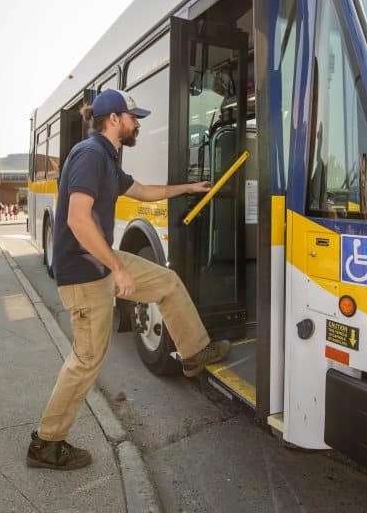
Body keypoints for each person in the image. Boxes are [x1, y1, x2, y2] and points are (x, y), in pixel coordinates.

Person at [28, 88, 231, 470]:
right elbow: (76, 219)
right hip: (85, 273)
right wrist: (118, 268)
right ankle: (46, 443)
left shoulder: (106, 157)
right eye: (133, 117)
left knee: (166, 283)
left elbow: (143, 192)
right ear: (114, 120)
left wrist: (186, 188)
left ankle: (192, 354)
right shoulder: (90, 156)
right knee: (87, 360)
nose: (137, 123)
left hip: (100, 261)